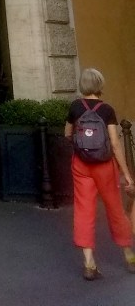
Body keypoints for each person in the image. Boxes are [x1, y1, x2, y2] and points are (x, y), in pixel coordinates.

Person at [64, 67, 135, 280]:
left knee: (84, 210)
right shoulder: (107, 110)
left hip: (81, 165)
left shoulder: (75, 107)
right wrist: (127, 174)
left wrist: (83, 146)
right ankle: (129, 255)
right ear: (100, 84)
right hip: (104, 166)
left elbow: (67, 134)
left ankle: (89, 263)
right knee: (115, 207)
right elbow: (115, 144)